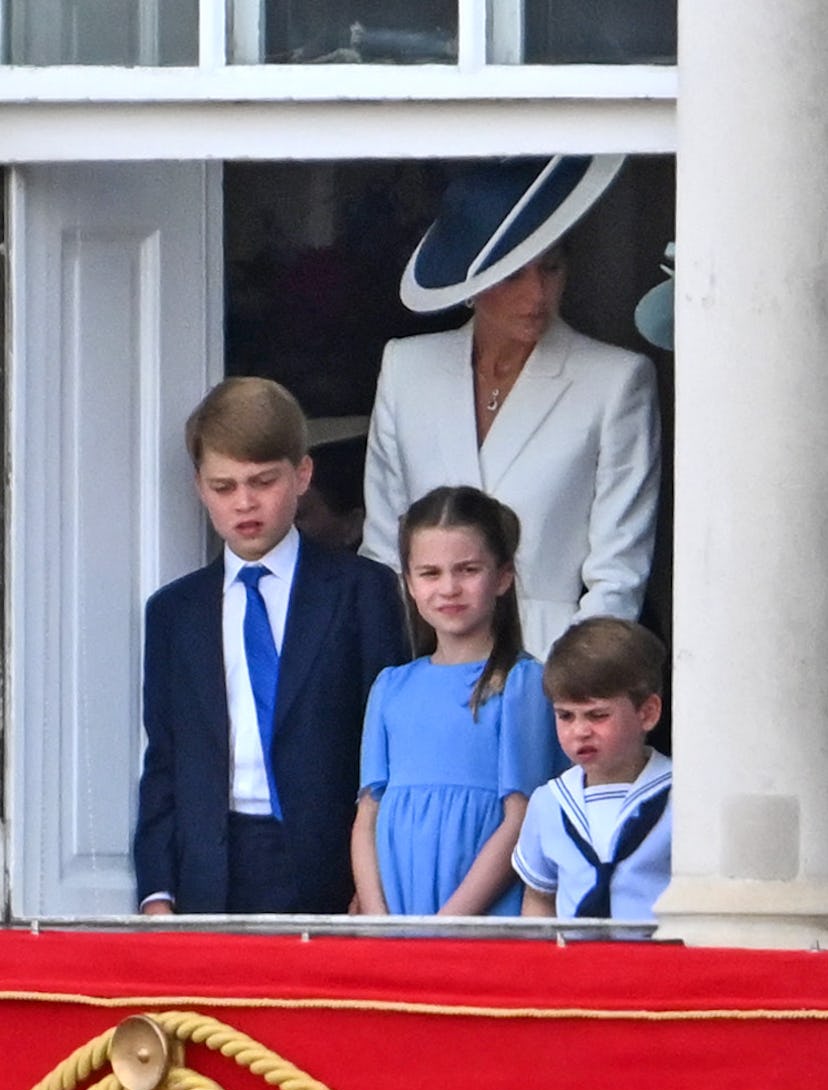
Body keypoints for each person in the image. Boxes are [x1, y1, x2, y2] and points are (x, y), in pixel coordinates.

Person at [360, 155, 662, 661]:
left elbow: (618, 573)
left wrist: (571, 682)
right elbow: (383, 552)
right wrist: (401, 676)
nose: (537, 294)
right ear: (472, 282)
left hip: (552, 662)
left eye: (551, 267)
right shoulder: (407, 369)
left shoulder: (615, 380)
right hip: (426, 662)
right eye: (513, 275)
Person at [133, 376, 408, 915]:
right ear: (199, 487)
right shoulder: (174, 613)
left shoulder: (361, 592)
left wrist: (375, 875)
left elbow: (393, 746)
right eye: (223, 487)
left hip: (335, 864)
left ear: (302, 474)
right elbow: (165, 758)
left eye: (263, 481)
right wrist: (156, 890)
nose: (244, 503)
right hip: (209, 867)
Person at [351, 486, 565, 916]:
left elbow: (521, 818)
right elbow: (367, 817)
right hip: (397, 919)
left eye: (467, 570)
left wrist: (447, 923)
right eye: (430, 573)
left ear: (502, 576)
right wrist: (378, 920)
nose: (449, 588)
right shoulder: (390, 687)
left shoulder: (521, 682)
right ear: (409, 583)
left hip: (480, 917)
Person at [513, 617, 671, 921]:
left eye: (597, 715)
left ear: (647, 713)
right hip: (576, 951)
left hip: (656, 950)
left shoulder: (680, 797)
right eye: (565, 716)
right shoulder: (550, 802)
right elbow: (540, 896)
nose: (580, 731)